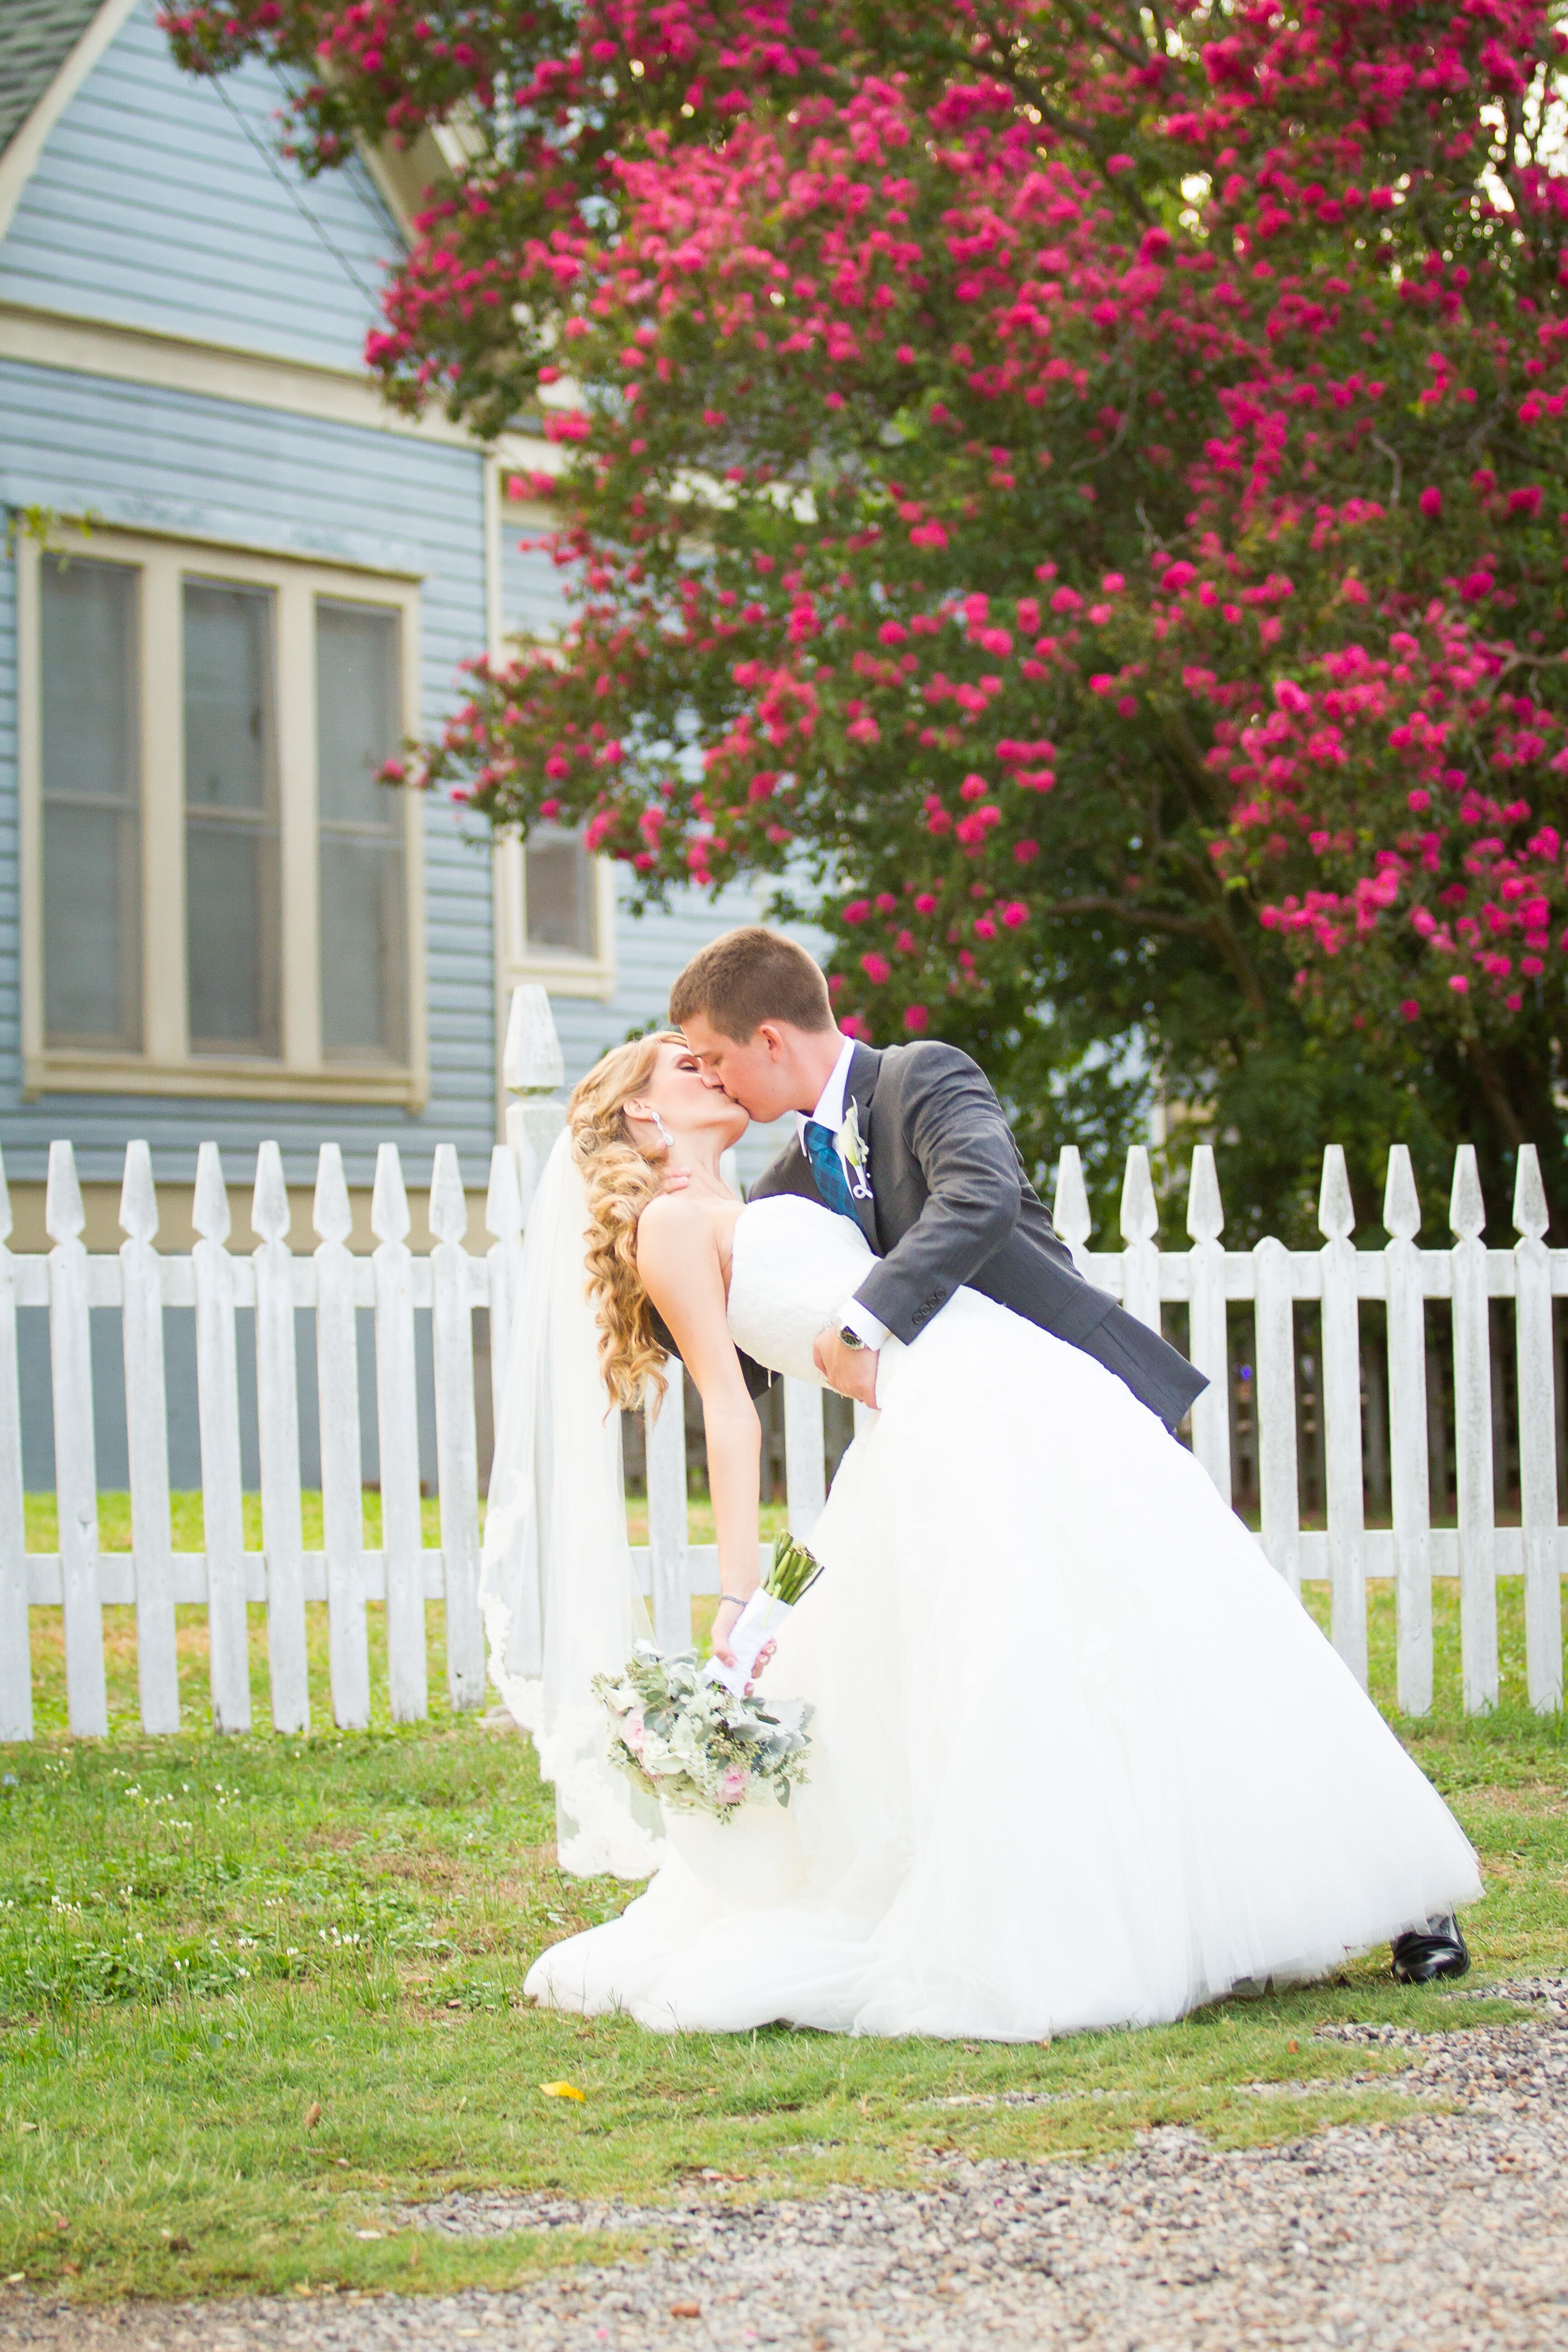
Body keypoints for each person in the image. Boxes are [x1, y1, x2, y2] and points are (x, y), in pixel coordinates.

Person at [483, 941, 1479, 2041]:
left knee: (1200, 1622)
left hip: (1041, 1393)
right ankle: (1109, 1906)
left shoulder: (919, 1078)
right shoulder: (779, 1180)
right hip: (933, 1435)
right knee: (1026, 1670)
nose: (715, 1080)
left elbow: (981, 1195)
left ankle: (1400, 1893)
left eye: (717, 1058)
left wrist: (856, 1327)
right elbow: (745, 1344)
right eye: (692, 1071)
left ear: (771, 1041)